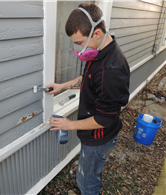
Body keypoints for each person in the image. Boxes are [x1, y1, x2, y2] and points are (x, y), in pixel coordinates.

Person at [47, 3, 130, 195]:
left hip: (99, 139)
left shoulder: (111, 70)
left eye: (80, 42)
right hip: (93, 137)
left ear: (97, 34)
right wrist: (63, 86)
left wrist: (69, 125)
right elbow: (88, 79)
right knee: (89, 170)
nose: (79, 48)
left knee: (88, 182)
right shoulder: (100, 53)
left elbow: (105, 118)